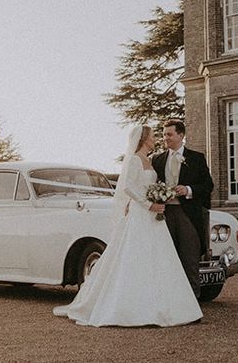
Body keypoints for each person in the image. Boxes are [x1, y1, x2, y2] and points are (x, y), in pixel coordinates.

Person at [53, 125, 202, 326]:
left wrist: (160, 196)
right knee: (134, 258)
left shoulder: (150, 160)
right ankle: (130, 307)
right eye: (152, 136)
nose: (156, 138)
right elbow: (128, 188)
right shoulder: (133, 160)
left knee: (160, 260)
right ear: (143, 139)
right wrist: (150, 204)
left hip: (154, 216)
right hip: (142, 214)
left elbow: (149, 185)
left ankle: (169, 305)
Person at [152, 118, 213, 300]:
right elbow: (152, 185)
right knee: (166, 257)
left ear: (181, 135)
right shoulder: (158, 160)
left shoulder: (196, 158)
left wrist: (188, 190)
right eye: (164, 135)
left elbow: (208, 186)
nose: (166, 138)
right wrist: (159, 195)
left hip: (188, 214)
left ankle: (192, 300)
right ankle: (169, 299)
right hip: (164, 215)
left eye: (169, 134)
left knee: (189, 258)